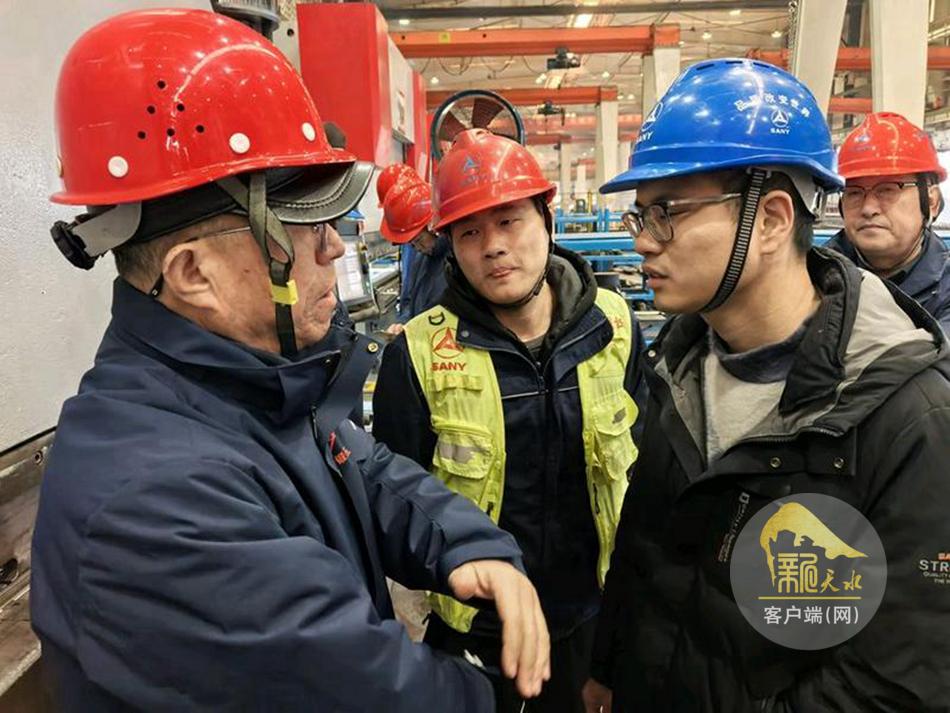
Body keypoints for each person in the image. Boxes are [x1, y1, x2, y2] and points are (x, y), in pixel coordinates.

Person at [31, 10, 550, 711]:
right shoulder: (156, 505)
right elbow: (372, 693)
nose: (335, 246)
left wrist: (468, 544)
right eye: (304, 223)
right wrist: (504, 697)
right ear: (194, 274)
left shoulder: (249, 384)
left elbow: (357, 462)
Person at [587, 58, 950, 713]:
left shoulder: (908, 418)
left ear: (774, 220)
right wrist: (609, 667)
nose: (642, 243)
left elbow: (897, 679)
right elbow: (644, 546)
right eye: (640, 216)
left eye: (666, 212)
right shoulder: (678, 368)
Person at [373, 129, 647, 713]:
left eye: (509, 221)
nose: (493, 247)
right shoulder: (418, 354)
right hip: (474, 633)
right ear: (450, 245)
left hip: (592, 621)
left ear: (546, 219)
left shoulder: (615, 327)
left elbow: (645, 475)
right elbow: (396, 505)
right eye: (470, 232)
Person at [826, 111, 950, 333]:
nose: (868, 208)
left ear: (931, 201)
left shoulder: (946, 288)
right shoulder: (812, 274)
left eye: (887, 190)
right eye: (854, 192)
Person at [377, 164, 450, 334]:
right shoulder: (422, 257)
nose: (417, 248)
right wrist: (403, 323)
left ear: (433, 227)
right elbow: (411, 302)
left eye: (418, 240)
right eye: (412, 244)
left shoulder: (458, 262)